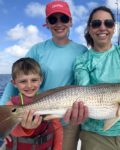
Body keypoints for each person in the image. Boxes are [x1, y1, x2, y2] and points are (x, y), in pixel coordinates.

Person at [1, 1, 88, 150]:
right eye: (53, 19)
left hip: (68, 123)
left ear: (71, 22)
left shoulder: (82, 51)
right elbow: (18, 77)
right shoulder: (37, 50)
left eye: (64, 19)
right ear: (47, 23)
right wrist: (3, 115)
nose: (59, 23)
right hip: (38, 119)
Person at [73, 6, 120, 150]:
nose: (103, 27)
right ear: (89, 29)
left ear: (114, 28)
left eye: (108, 23)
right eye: (96, 24)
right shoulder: (81, 60)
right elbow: (84, 92)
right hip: (95, 134)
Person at [4, 57, 63, 150]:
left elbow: (57, 128)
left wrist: (58, 148)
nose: (29, 85)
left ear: (41, 80)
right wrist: (26, 128)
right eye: (23, 81)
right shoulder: (10, 105)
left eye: (34, 80)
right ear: (14, 83)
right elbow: (11, 130)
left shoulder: (49, 101)